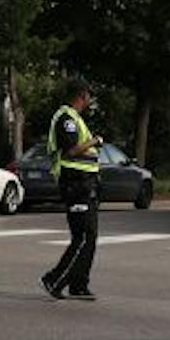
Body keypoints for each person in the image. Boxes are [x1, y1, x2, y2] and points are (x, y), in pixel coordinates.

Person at [40, 78, 103, 302]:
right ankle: (54, 280)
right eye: (89, 95)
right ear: (82, 95)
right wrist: (95, 141)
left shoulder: (75, 118)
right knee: (84, 236)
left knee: (90, 236)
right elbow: (71, 151)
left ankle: (79, 284)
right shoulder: (66, 118)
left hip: (86, 184)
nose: (90, 100)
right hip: (75, 184)